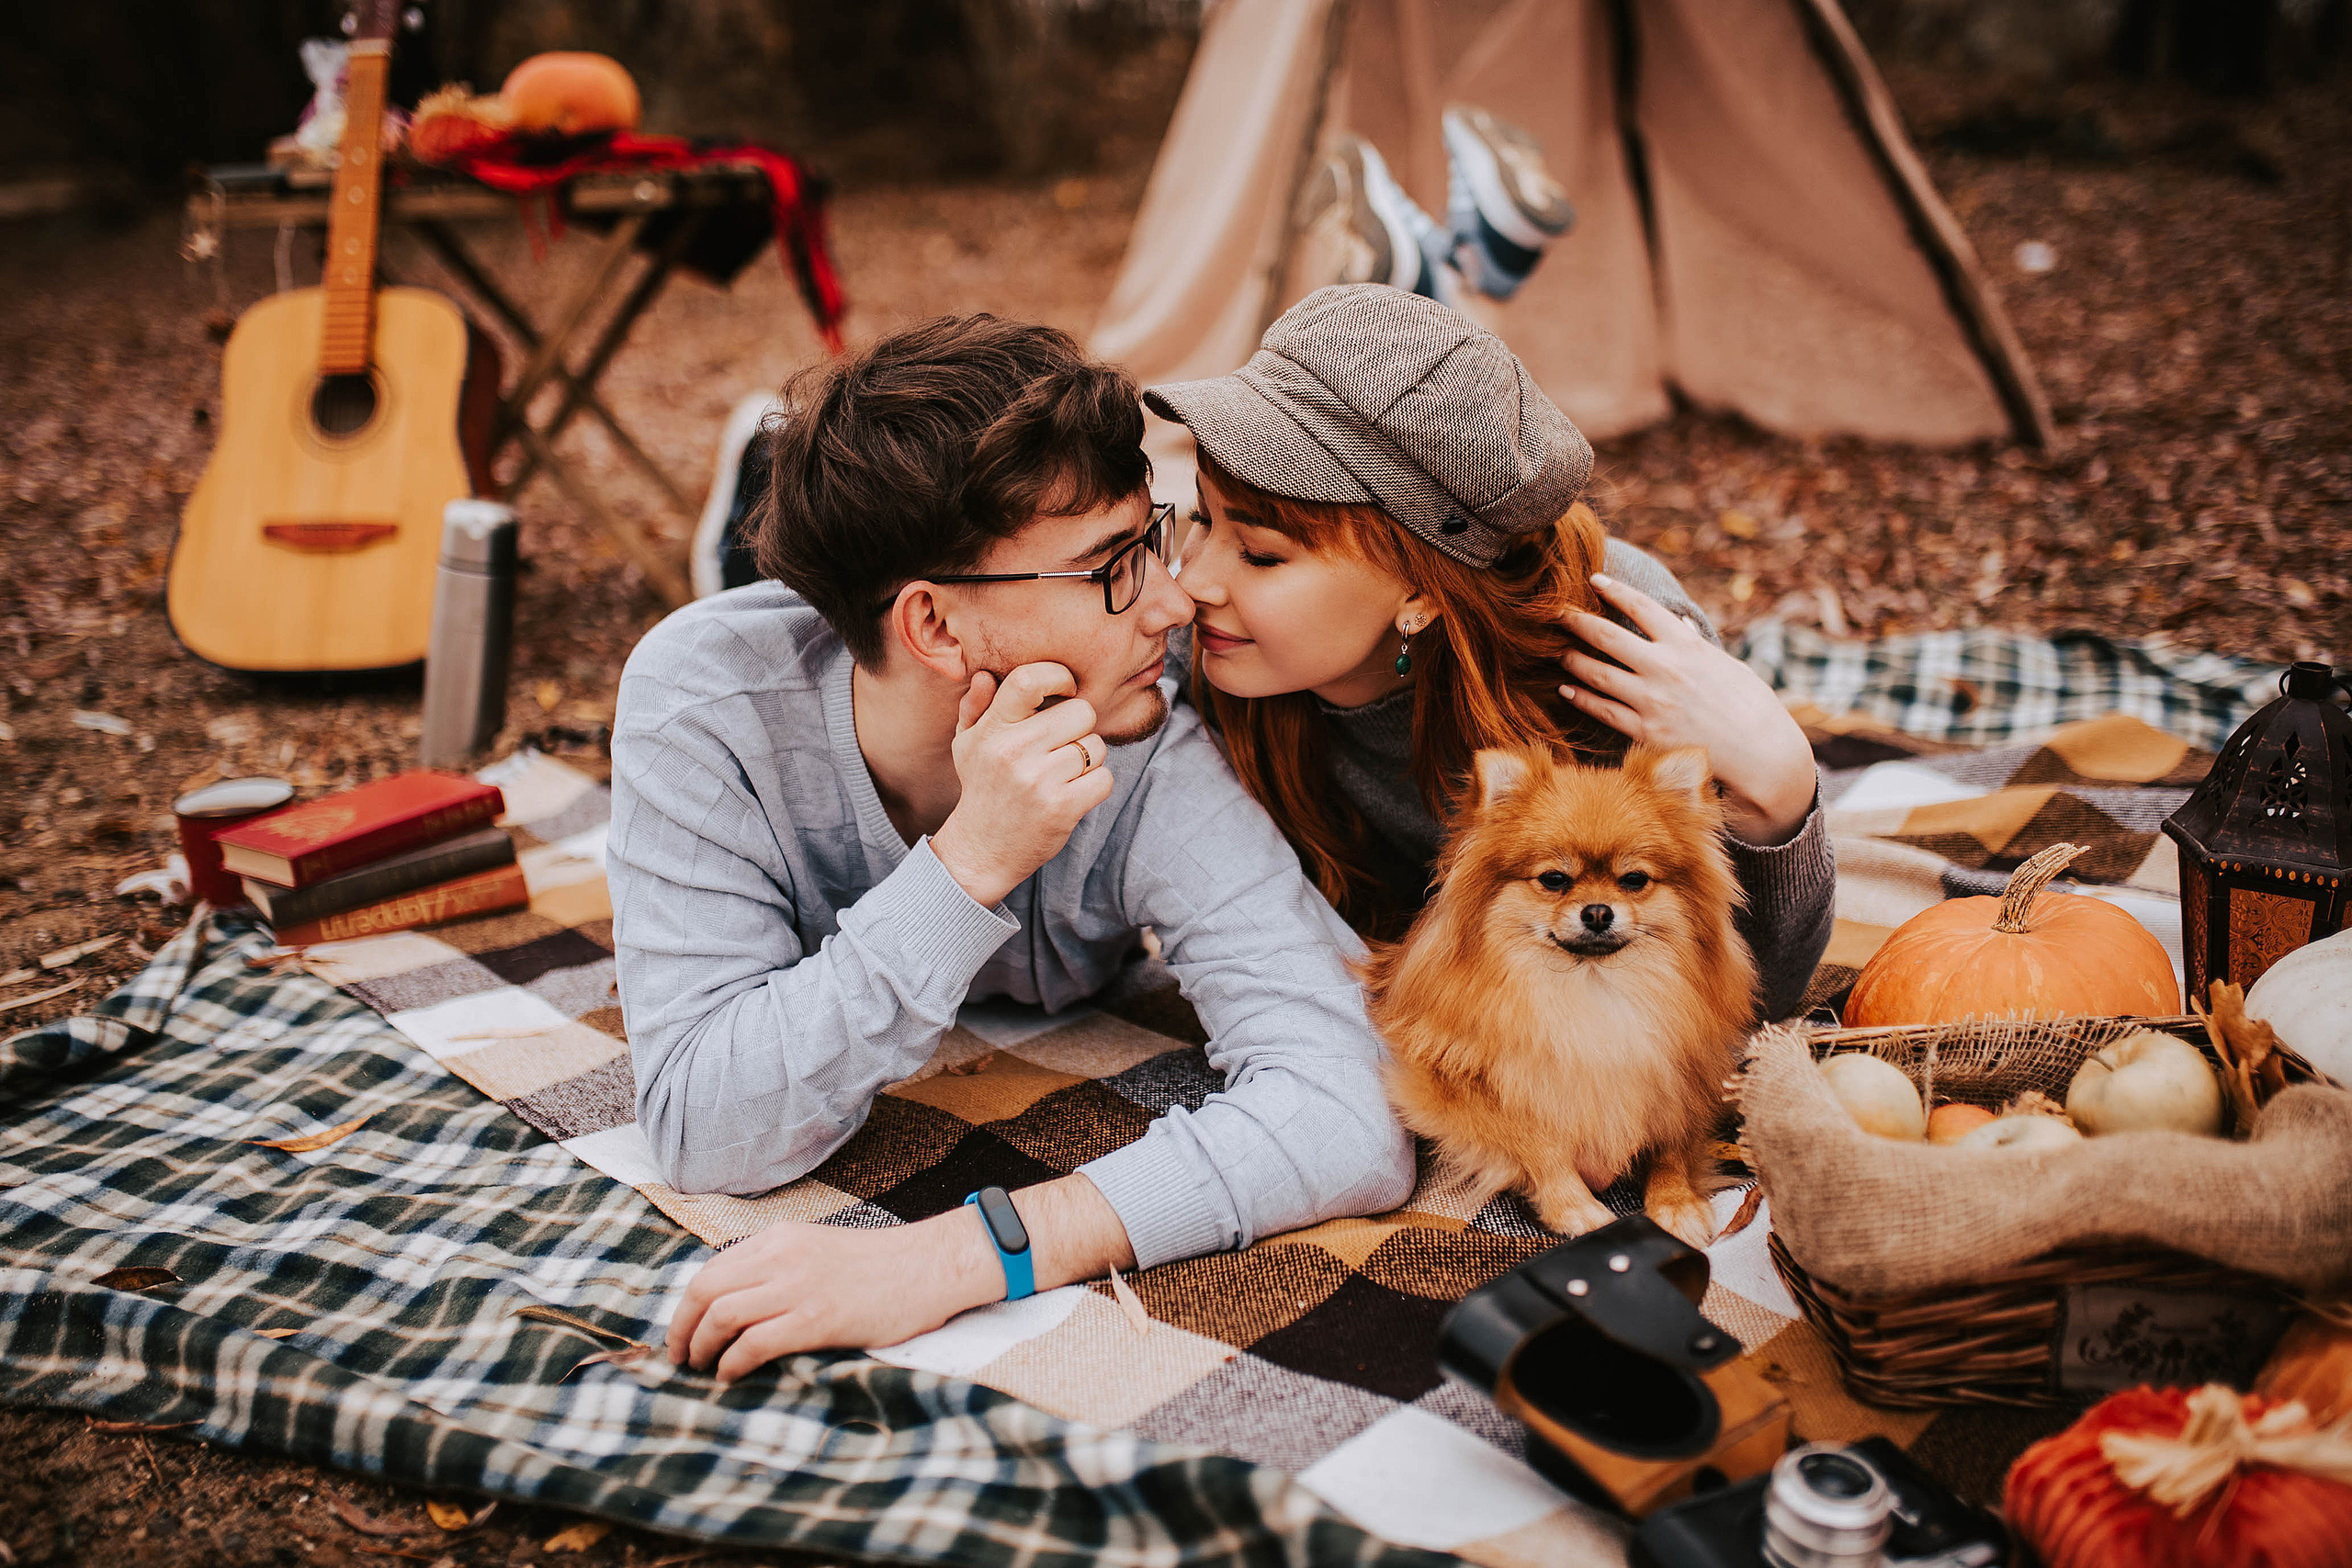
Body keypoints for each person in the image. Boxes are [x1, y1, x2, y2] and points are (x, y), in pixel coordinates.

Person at [606, 314, 1414, 1383]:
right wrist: (966, 866)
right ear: (937, 629)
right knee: (760, 609)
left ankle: (762, 494)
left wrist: (957, 1257)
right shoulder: (701, 706)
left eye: (1150, 539)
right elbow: (704, 1129)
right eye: (1111, 568)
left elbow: (1349, 1112)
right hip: (820, 649)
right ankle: (751, 508)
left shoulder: (1147, 733)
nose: (1175, 604)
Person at [1145, 284, 1836, 1014]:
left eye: (1258, 552)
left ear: (1421, 592)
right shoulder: (1192, 639)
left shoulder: (1625, 661)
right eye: (1201, 517)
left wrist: (1780, 795)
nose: (1190, 581)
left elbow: (1745, 999)